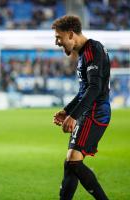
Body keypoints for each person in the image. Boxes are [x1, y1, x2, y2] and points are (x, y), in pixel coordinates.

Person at [52, 15, 111, 200]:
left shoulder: (93, 49)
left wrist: (74, 116)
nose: (57, 42)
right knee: (70, 163)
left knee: (73, 162)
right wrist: (68, 110)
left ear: (71, 34)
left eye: (58, 37)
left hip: (95, 112)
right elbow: (83, 90)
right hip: (87, 111)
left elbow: (95, 88)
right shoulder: (85, 54)